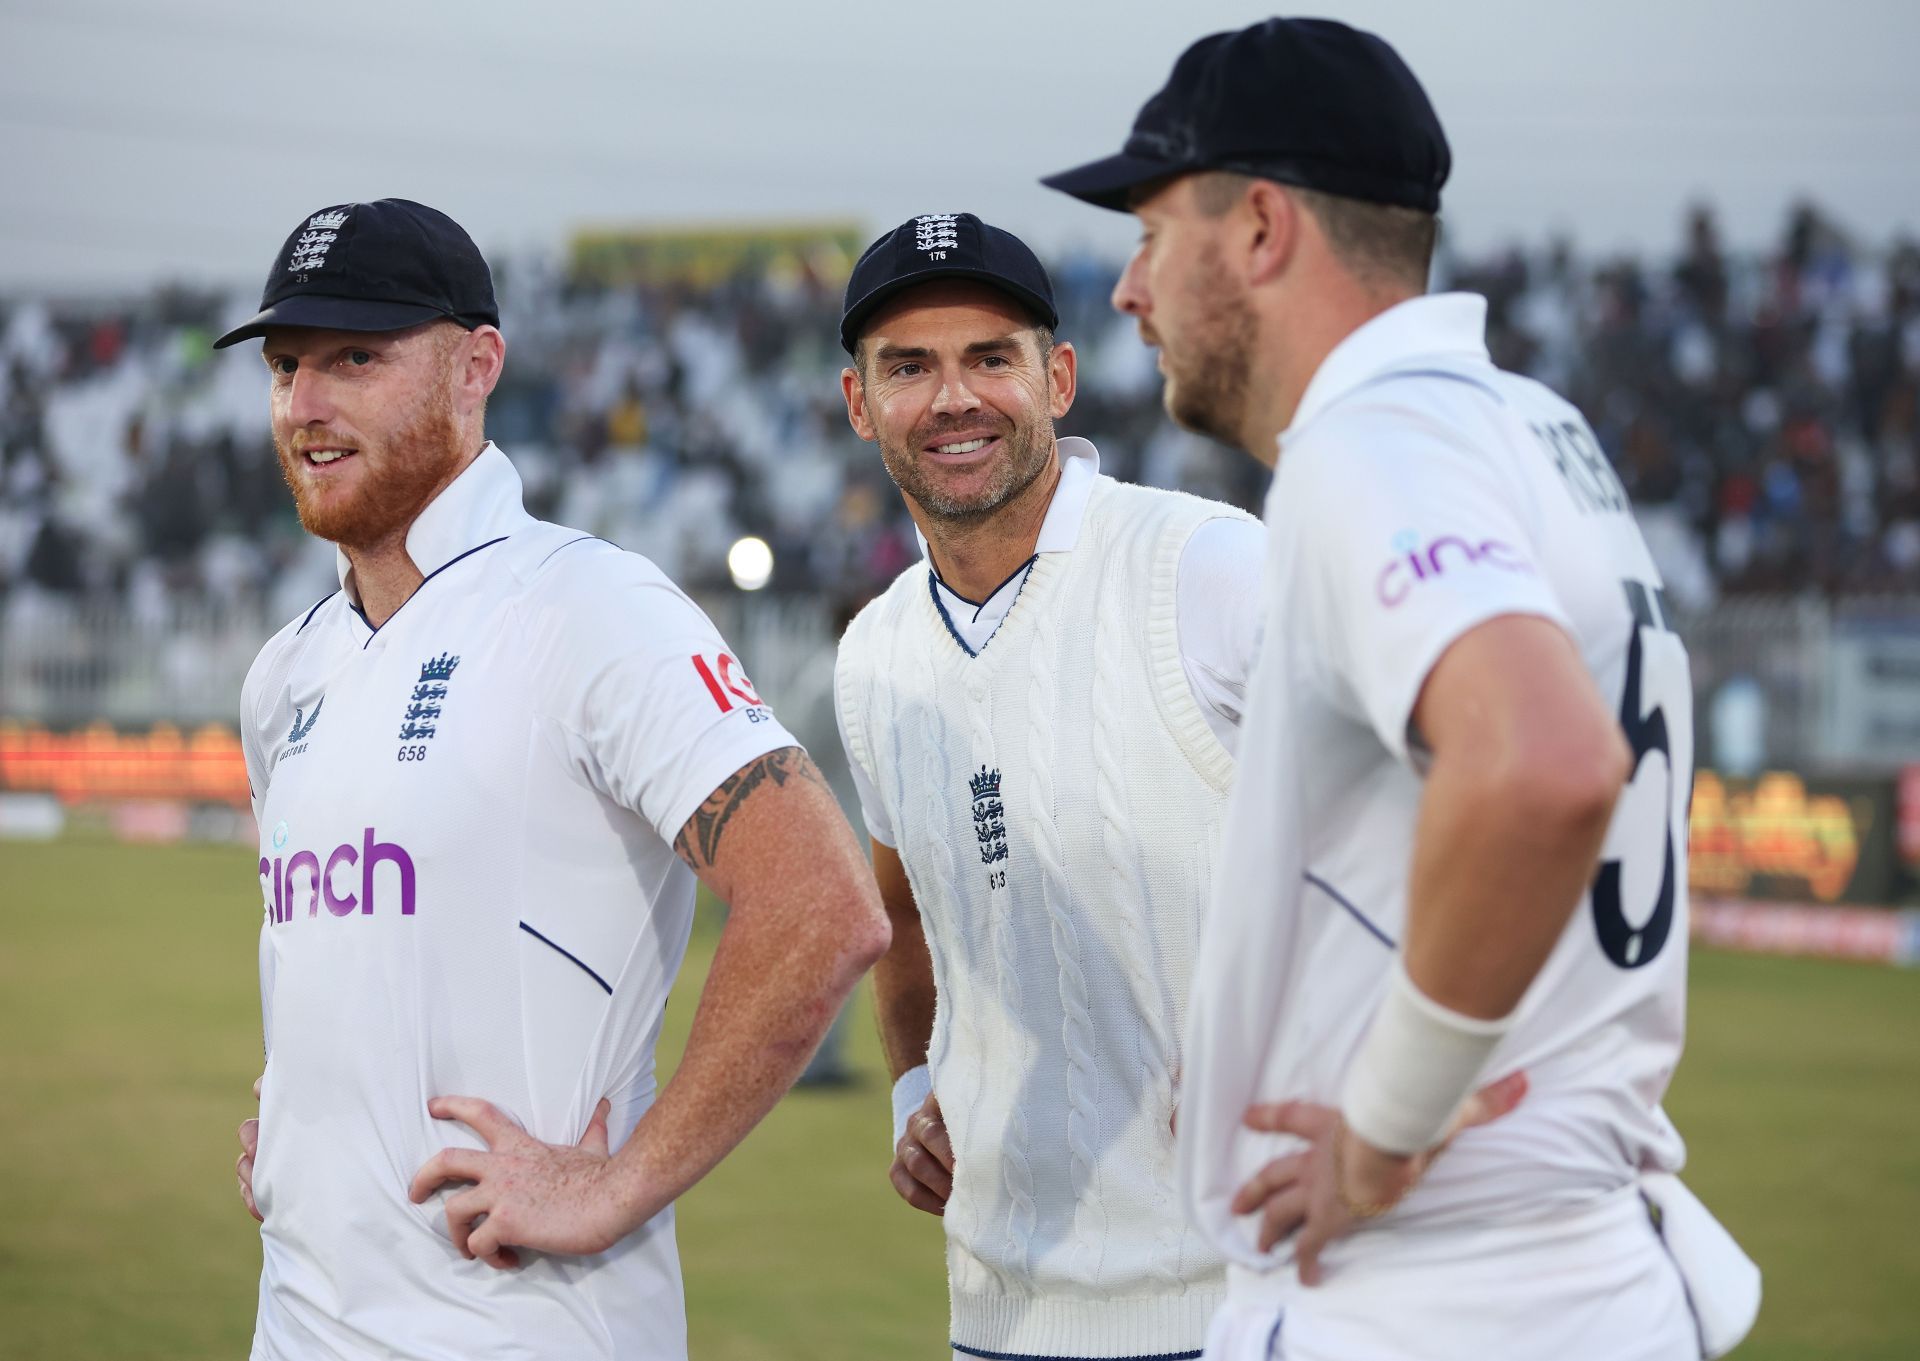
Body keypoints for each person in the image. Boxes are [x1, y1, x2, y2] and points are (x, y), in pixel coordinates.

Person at [1043, 19, 1760, 1361]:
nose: (1130, 287)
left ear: (1259, 228)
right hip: (1583, 1259)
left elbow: (1540, 761)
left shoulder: (1370, 443)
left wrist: (1380, 1132)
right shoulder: (1530, 424)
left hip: (1438, 1288)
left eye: (1152, 232)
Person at [221, 198, 889, 1360]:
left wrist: (620, 1179)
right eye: (286, 365)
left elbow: (823, 900)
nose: (306, 403)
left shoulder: (589, 606)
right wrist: (309, 1126)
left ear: (478, 366)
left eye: (355, 359)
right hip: (295, 1324)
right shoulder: (286, 674)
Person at [831, 212, 1266, 1360]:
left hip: (1250, 1296)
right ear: (858, 403)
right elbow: (904, 907)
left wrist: (1315, 1041)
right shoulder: (873, 654)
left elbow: (1420, 815)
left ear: (1057, 377)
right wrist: (914, 1082)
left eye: (990, 356)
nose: (954, 398)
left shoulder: (1205, 567)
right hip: (1002, 1307)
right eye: (909, 366)